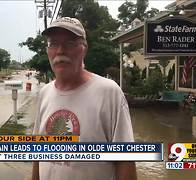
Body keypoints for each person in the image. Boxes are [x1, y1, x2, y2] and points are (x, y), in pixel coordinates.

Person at [32, 17, 137, 180]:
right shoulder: (44, 93)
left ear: (84, 49)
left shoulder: (109, 92)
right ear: (47, 50)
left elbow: (125, 160)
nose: (60, 51)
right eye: (53, 43)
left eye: (70, 44)